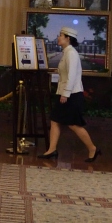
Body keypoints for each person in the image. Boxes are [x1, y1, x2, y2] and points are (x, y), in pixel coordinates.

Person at [40, 26, 99, 162]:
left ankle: (92, 148)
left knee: (73, 124)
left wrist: (65, 94)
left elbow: (72, 75)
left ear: (68, 38)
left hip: (72, 95)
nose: (58, 37)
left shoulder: (71, 53)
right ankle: (52, 149)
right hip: (64, 93)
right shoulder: (66, 52)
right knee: (55, 120)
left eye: (61, 35)